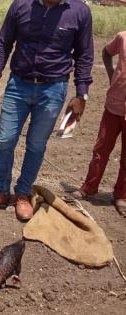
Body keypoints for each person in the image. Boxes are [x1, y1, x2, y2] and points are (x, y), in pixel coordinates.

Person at [0, 0, 94, 220]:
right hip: (18, 86)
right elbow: (3, 43)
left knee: (36, 144)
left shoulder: (80, 12)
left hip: (54, 89)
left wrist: (81, 94)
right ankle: (2, 190)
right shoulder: (21, 5)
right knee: (5, 139)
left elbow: (84, 56)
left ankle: (23, 193)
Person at [70, 31, 126, 218]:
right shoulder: (122, 37)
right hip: (114, 105)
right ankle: (89, 187)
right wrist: (111, 75)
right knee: (101, 149)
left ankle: (121, 195)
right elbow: (106, 52)